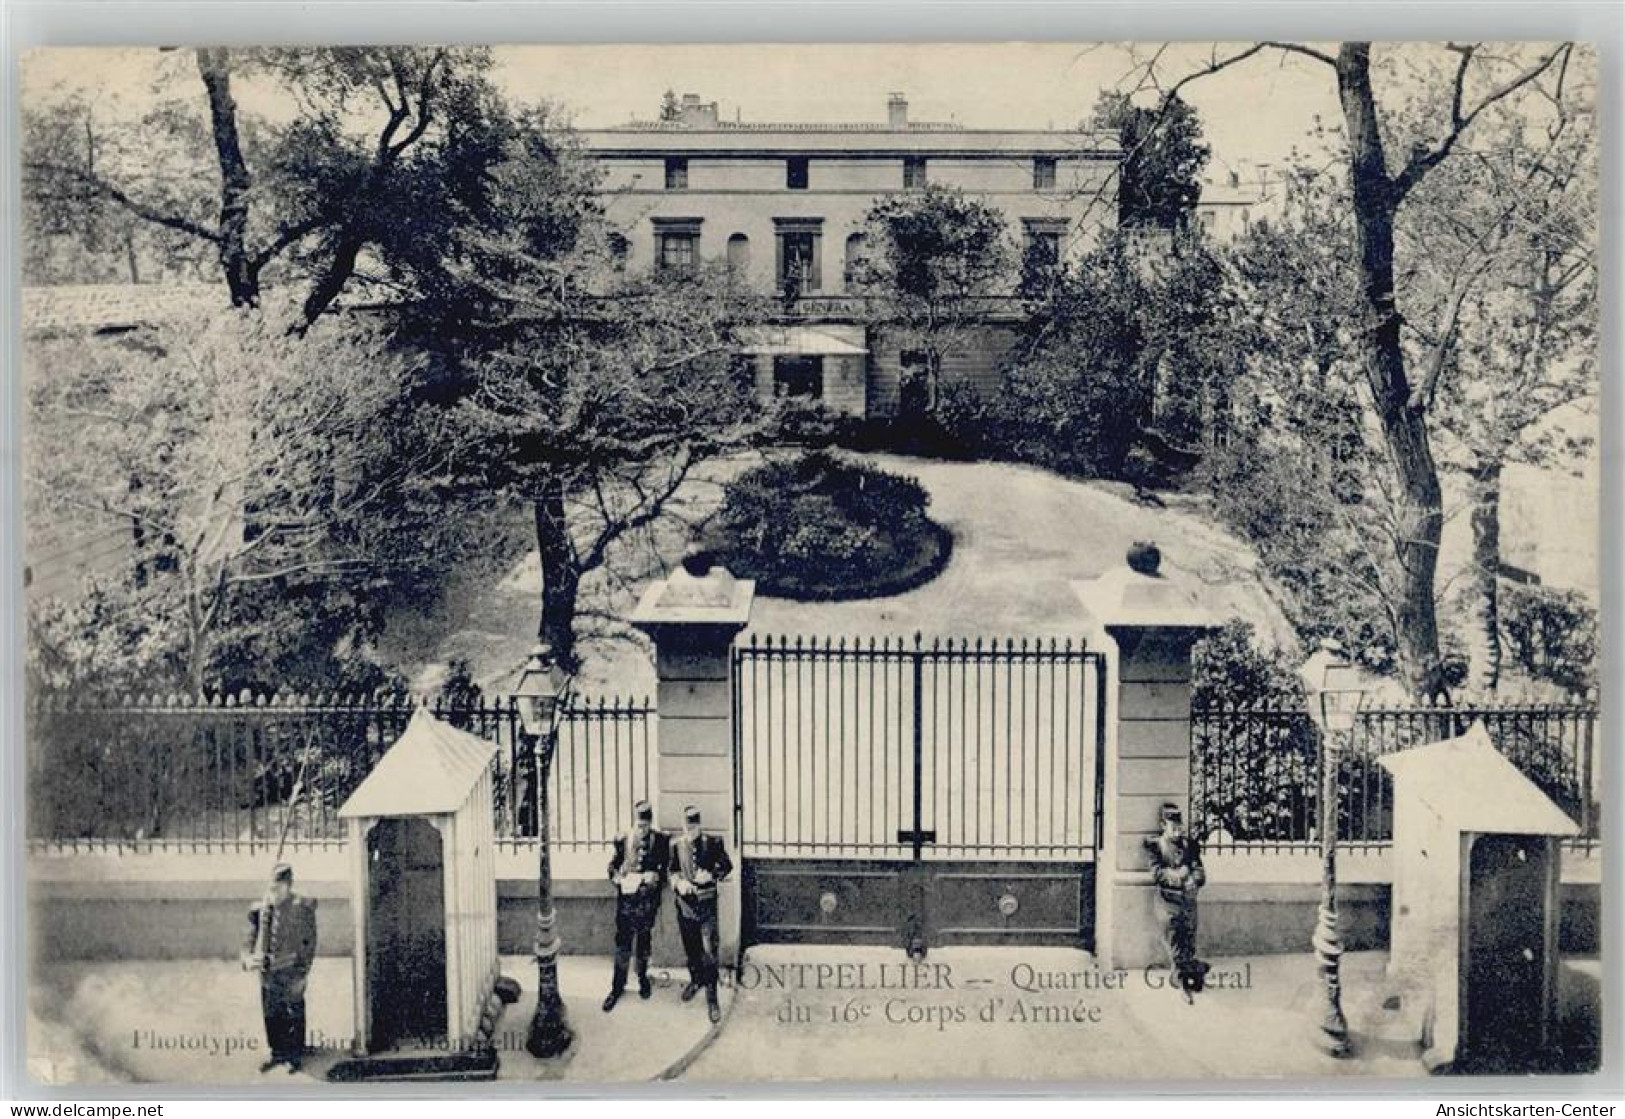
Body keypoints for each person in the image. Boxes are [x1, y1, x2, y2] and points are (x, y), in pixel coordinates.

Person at [241, 863, 318, 1072]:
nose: (275, 890)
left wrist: (304, 971)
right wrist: (247, 958)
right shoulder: (262, 908)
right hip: (268, 971)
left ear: (289, 885)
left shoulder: (301, 908)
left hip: (292, 969)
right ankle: (277, 1053)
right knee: (271, 1012)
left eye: (280, 886)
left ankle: (294, 1055)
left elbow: (309, 942)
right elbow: (249, 937)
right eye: (273, 886)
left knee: (293, 1010)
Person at [670, 804, 733, 1024]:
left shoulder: (713, 843)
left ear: (700, 826)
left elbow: (727, 865)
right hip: (685, 907)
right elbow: (672, 871)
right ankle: (695, 981)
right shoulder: (676, 845)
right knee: (692, 948)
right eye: (688, 827)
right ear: (683, 826)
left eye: (694, 827)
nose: (691, 831)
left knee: (710, 952)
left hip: (706, 907)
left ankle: (712, 998)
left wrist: (712, 875)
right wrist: (679, 883)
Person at [604, 799, 669, 1012]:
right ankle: (617, 986)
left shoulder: (660, 841)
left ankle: (642, 979)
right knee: (623, 944)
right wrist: (619, 880)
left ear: (651, 823)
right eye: (639, 826)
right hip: (627, 902)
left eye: (646, 826)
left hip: (647, 903)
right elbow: (612, 868)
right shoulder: (623, 839)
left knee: (643, 943)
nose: (642, 830)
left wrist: (656, 877)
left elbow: (667, 871)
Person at [1143, 803, 1209, 1004]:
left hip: (1188, 902)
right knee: (1175, 941)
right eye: (1173, 827)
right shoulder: (1156, 846)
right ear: (1164, 825)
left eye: (1180, 827)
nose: (1178, 831)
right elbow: (1157, 873)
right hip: (1167, 902)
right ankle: (1183, 982)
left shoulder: (1189, 846)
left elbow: (1199, 869)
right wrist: (1177, 877)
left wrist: (1194, 879)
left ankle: (1193, 972)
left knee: (1189, 940)